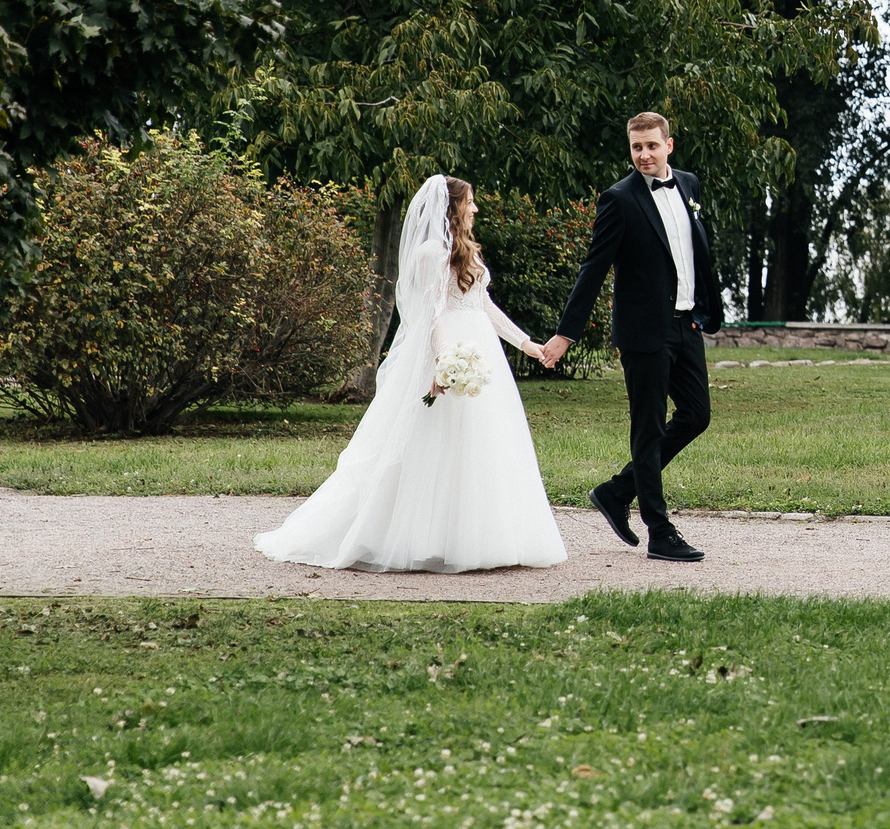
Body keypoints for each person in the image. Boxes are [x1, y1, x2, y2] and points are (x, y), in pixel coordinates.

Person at [255, 174, 566, 573]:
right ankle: (419, 539)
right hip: (450, 349)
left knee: (479, 444)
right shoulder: (430, 253)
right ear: (451, 207)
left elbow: (482, 305)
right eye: (469, 202)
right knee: (431, 444)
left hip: (480, 352)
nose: (474, 208)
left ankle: (475, 537)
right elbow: (433, 313)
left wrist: (527, 344)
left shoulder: (466, 250)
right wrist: (443, 361)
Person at [538, 111, 721, 562]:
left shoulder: (690, 186)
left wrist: (705, 310)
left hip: (685, 324)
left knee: (697, 416)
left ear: (669, 146)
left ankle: (617, 492)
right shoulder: (618, 199)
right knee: (649, 426)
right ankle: (659, 531)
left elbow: (699, 251)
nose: (643, 155)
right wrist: (566, 334)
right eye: (636, 147)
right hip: (643, 332)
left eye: (651, 146)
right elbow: (593, 269)